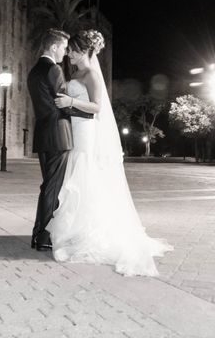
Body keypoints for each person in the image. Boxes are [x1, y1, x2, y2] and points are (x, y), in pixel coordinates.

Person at [47, 30, 173, 276]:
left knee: (84, 176)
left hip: (86, 130)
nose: (69, 54)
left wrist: (69, 102)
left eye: (72, 50)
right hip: (74, 128)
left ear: (83, 51)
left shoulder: (92, 74)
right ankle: (77, 229)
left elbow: (96, 107)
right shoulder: (76, 73)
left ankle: (88, 231)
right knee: (78, 175)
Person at [27, 29, 94, 251]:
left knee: (49, 185)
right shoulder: (54, 69)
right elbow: (62, 102)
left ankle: (41, 233)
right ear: (54, 46)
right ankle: (42, 236)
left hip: (44, 135)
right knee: (52, 188)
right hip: (59, 135)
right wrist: (90, 114)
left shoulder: (34, 71)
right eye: (64, 48)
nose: (65, 53)